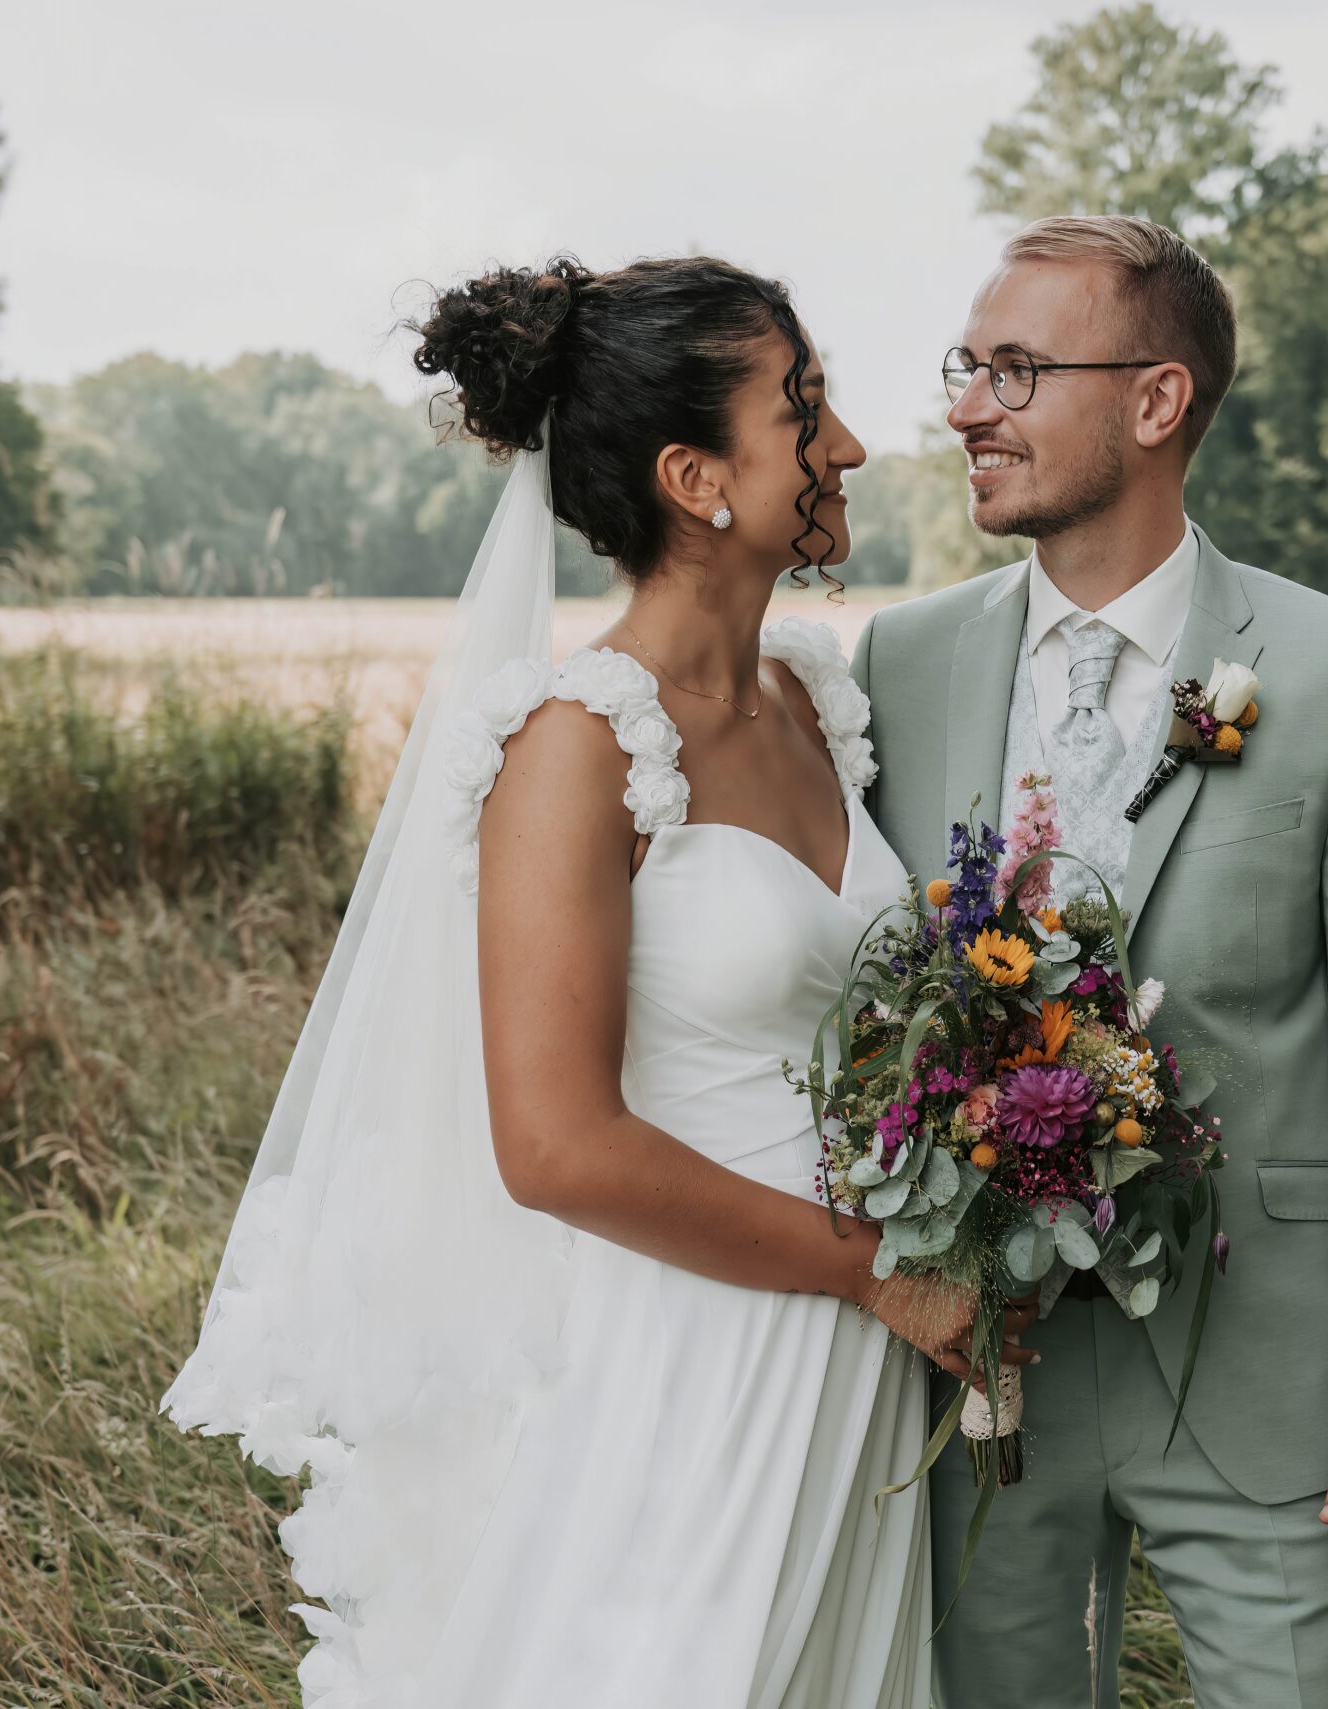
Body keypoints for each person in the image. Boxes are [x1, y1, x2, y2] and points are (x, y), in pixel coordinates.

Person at [160, 255, 1023, 1708]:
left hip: (862, 1370)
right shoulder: (576, 747)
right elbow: (555, 1145)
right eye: (805, 410)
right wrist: (875, 1267)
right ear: (698, 476)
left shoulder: (823, 699)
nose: (854, 446)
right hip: (698, 1356)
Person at [849, 214, 1328, 1709]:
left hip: (1267, 1375)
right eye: (966, 366)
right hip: (977, 1387)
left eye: (1013, 370)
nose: (963, 408)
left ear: (1156, 401)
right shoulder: (900, 659)